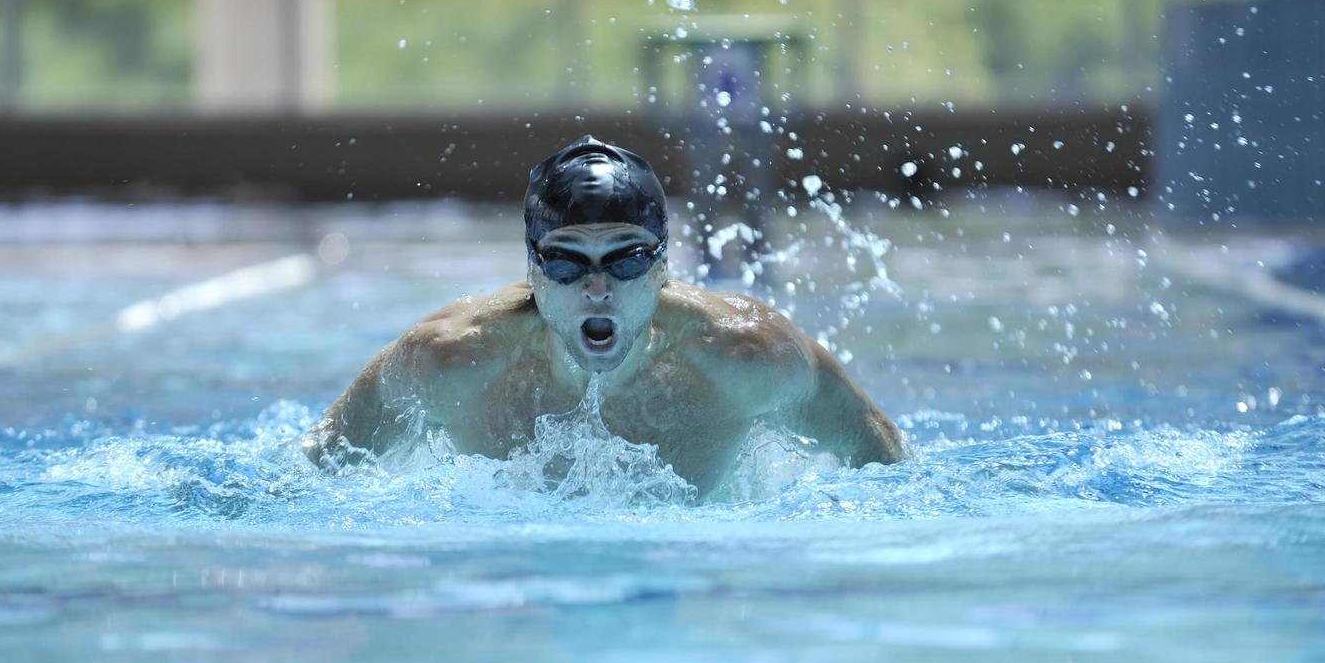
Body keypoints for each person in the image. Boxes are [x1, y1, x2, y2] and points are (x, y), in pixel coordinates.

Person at [304, 135, 903, 496]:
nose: (597, 286)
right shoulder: (449, 362)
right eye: (567, 263)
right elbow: (304, 480)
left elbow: (891, 472)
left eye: (626, 258)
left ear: (664, 267)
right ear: (534, 271)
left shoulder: (746, 358)